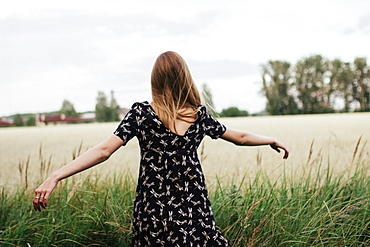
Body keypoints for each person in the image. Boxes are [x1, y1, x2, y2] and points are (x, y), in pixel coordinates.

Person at [33, 51, 289, 246]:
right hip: (193, 206)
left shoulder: (141, 113)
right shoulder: (198, 116)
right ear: (185, 78)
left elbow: (103, 151)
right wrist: (270, 139)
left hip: (152, 207)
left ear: (155, 80)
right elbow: (240, 137)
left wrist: (55, 175)